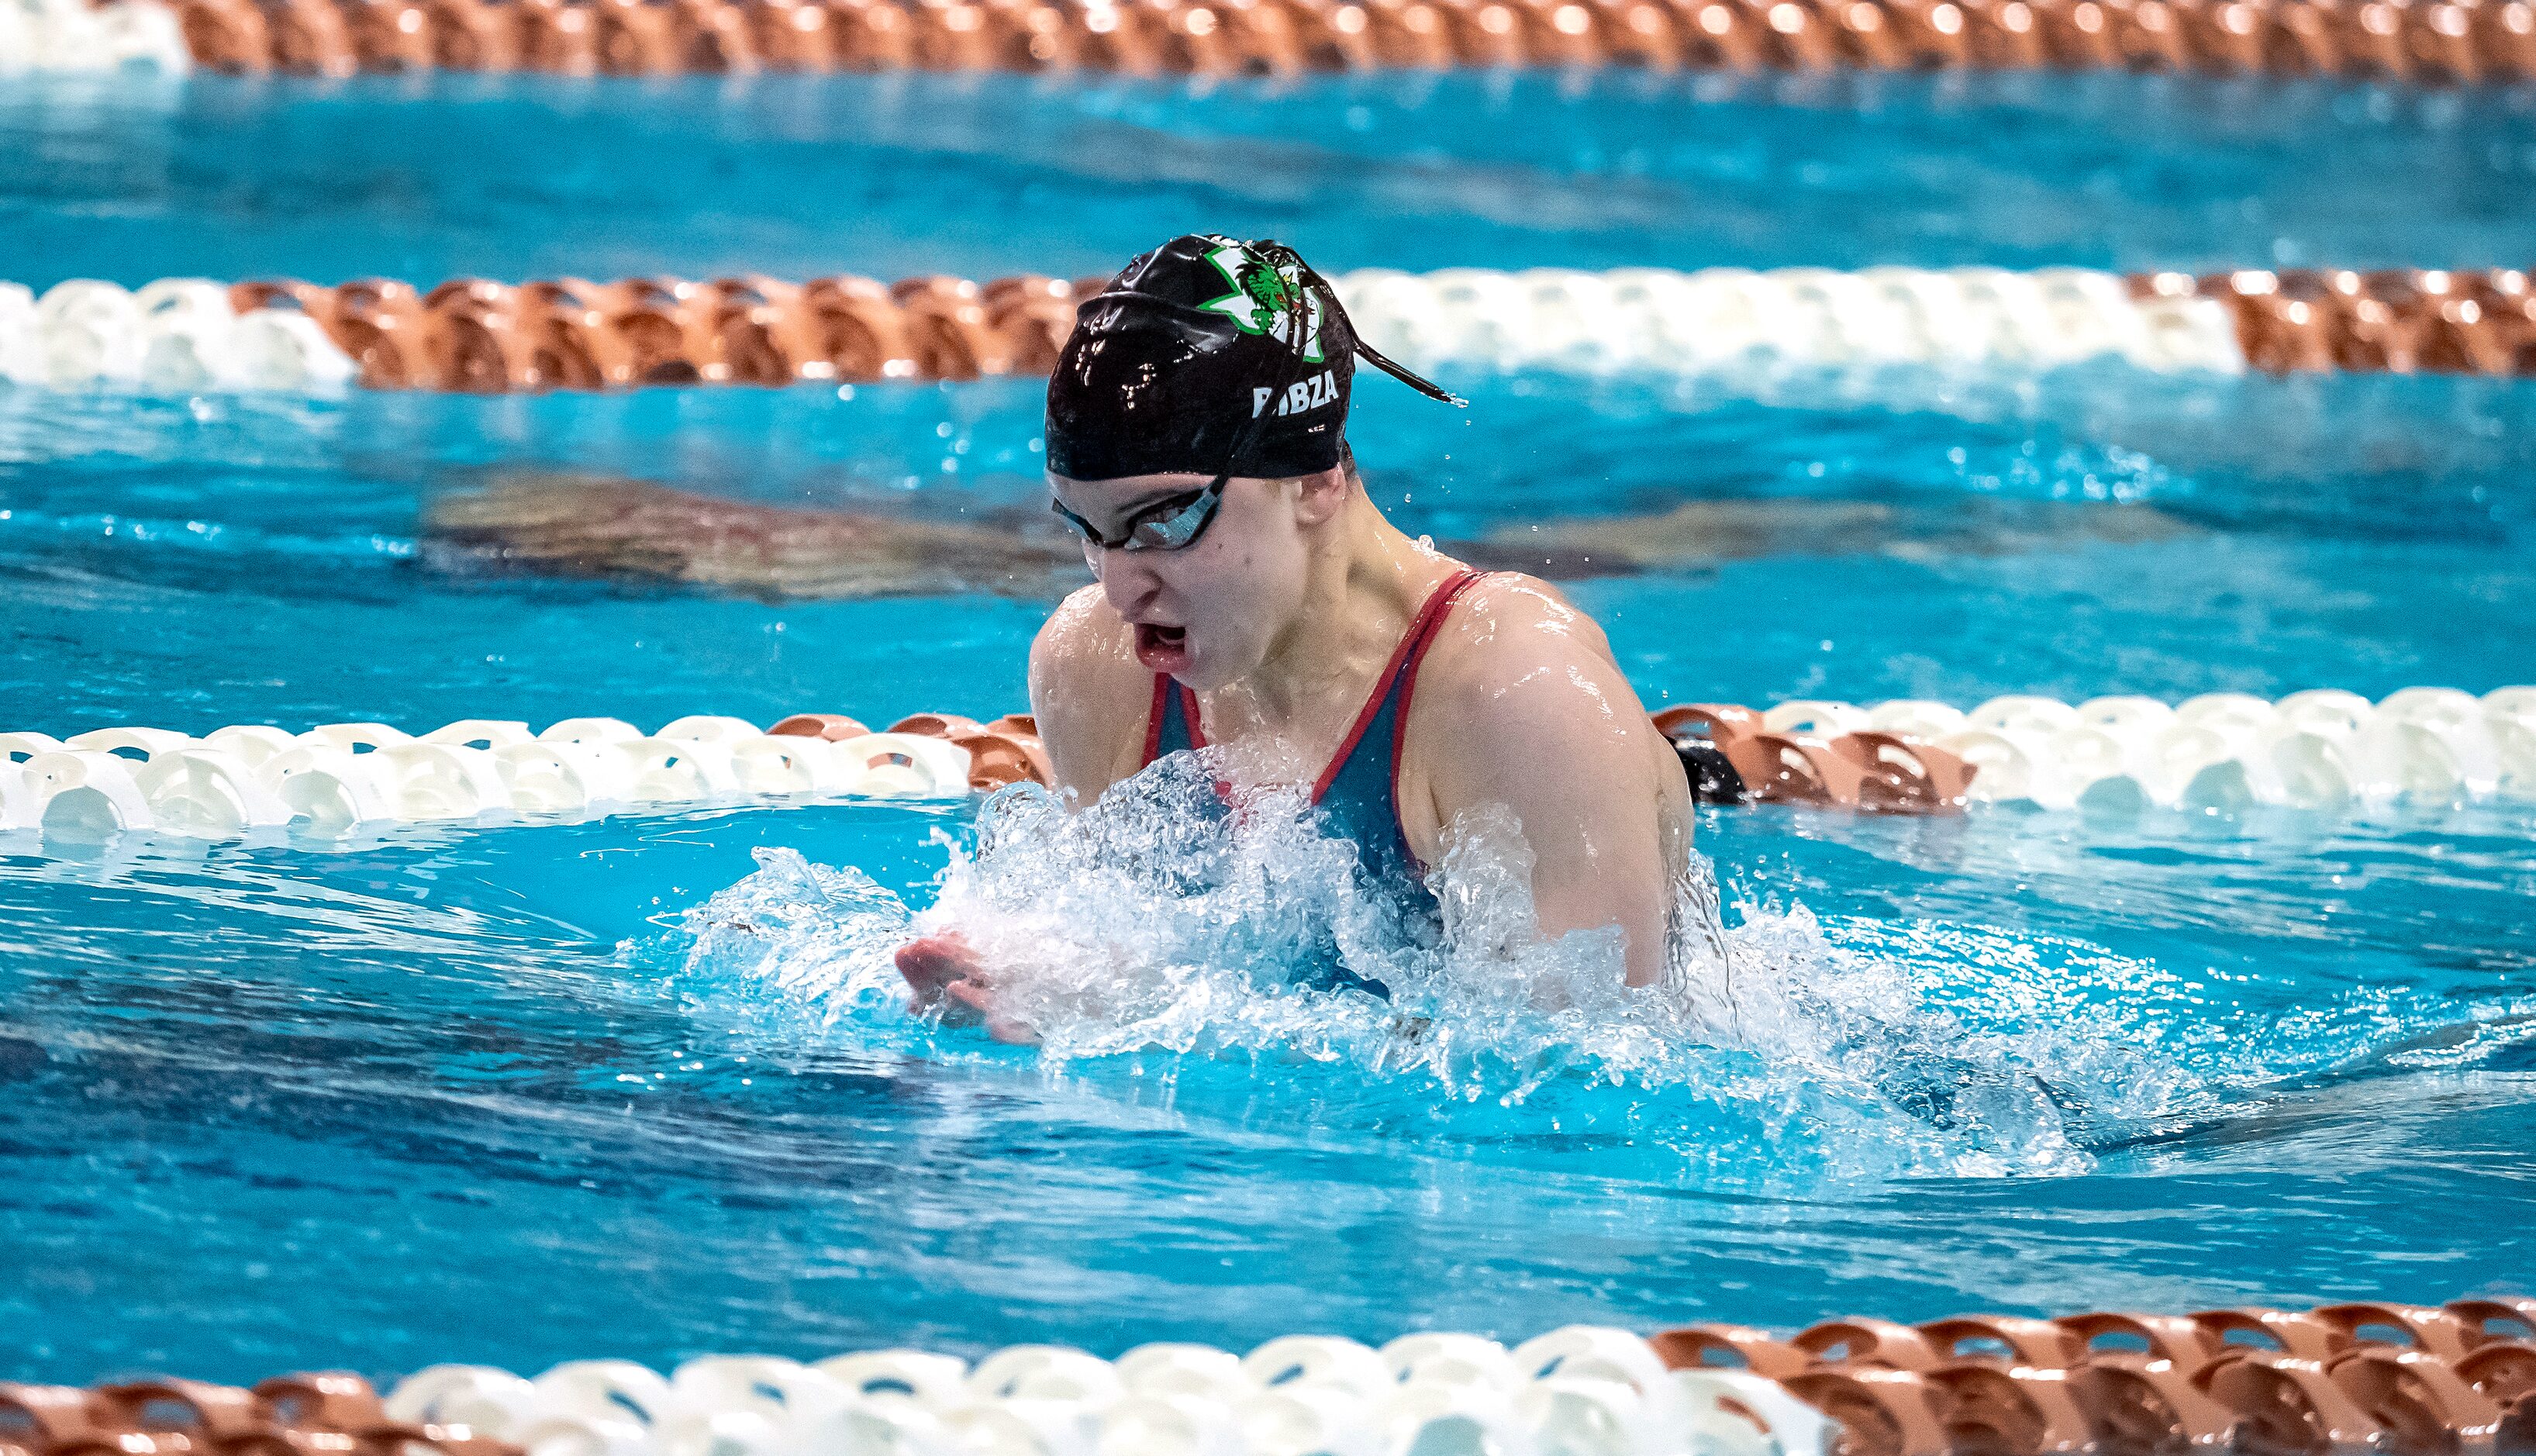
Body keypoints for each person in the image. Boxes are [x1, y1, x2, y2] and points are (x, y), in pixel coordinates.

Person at [896, 235, 1692, 1032]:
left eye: (1167, 521)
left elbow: (1580, 1079)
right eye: (1088, 529)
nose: (1121, 586)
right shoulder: (1094, 668)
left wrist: (1138, 1015)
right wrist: (1035, 990)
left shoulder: (1516, 692)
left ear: (1314, 481)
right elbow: (1139, 964)